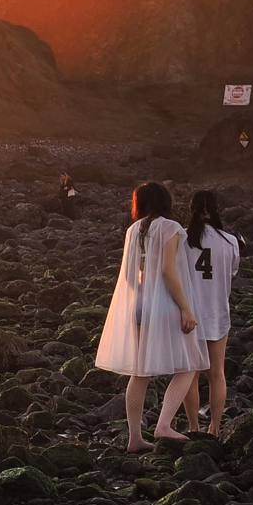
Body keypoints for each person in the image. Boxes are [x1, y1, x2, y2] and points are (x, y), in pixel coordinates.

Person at [96, 181, 207, 452]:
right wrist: (185, 308)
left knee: (140, 371)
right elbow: (169, 271)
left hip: (140, 305)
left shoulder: (133, 230)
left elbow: (130, 278)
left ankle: (135, 438)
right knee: (189, 365)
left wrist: (145, 293)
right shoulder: (171, 228)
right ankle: (163, 425)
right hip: (165, 305)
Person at [178, 189, 242, 436]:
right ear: (216, 209)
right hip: (217, 313)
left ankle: (193, 427)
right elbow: (232, 273)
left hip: (188, 315)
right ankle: (214, 427)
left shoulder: (182, 239)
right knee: (217, 373)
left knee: (190, 375)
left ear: (191, 209)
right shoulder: (230, 241)